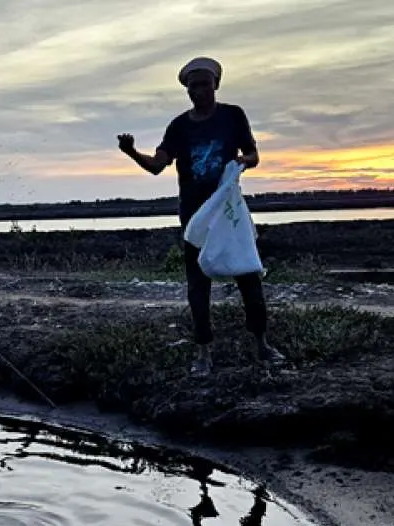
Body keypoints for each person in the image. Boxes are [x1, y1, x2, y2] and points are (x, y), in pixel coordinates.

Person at [117, 56, 284, 377]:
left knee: (248, 276)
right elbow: (156, 165)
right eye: (192, 86)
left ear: (216, 85)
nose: (199, 90)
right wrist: (132, 152)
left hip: (228, 212)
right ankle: (203, 352)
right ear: (187, 90)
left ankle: (263, 344)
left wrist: (241, 161)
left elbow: (254, 155)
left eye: (204, 84)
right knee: (198, 284)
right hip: (194, 215)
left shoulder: (233, 116)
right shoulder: (179, 126)